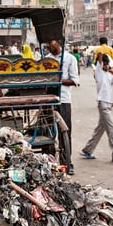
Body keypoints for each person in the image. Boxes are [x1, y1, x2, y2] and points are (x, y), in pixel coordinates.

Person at [79, 53, 113, 164]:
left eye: (107, 64)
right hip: (103, 104)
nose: (106, 66)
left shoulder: (109, 74)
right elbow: (99, 55)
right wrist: (102, 59)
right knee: (111, 129)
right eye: (104, 64)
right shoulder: (99, 72)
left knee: (100, 129)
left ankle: (87, 150)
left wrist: (111, 70)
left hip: (109, 103)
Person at [47, 39, 79, 174]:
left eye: (51, 43)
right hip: (48, 99)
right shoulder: (46, 59)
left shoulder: (70, 59)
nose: (49, 46)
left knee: (65, 132)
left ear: (59, 43)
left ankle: (67, 162)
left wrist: (58, 80)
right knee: (47, 132)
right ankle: (49, 161)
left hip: (64, 99)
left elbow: (74, 80)